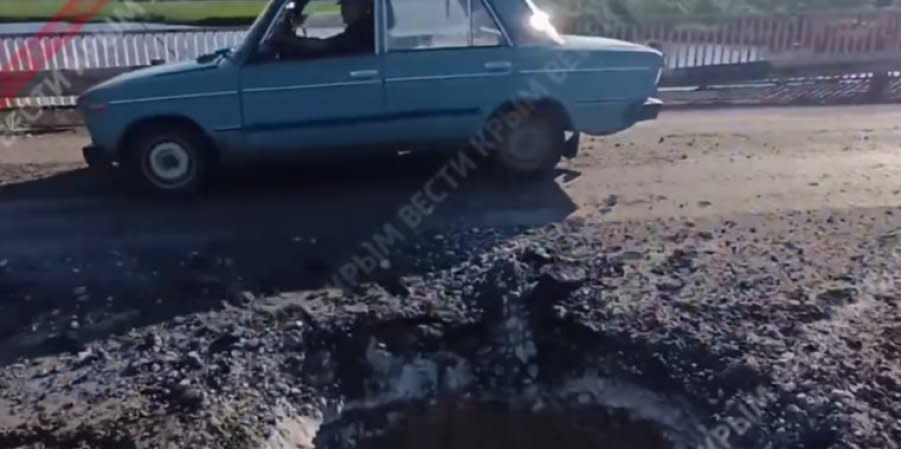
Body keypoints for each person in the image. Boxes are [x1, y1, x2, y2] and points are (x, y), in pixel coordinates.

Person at [272, 0, 375, 59]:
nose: (342, 9)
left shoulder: (362, 31)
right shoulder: (363, 28)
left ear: (363, 6)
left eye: (347, 4)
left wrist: (289, 40)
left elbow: (326, 47)